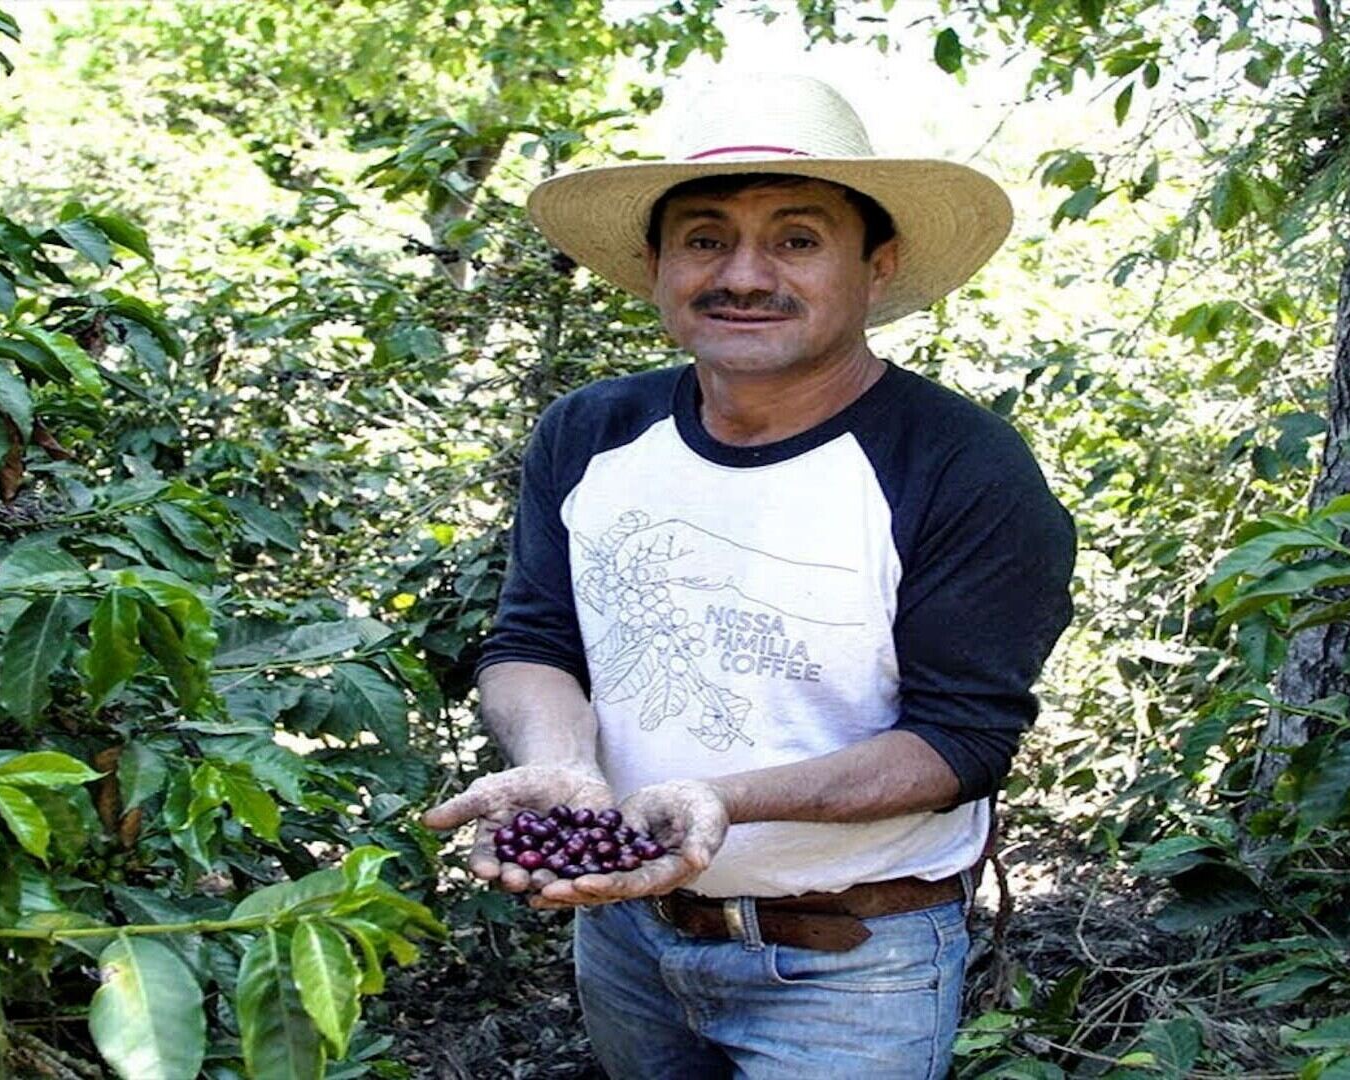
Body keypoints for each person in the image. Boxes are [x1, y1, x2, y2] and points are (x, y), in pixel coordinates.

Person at [421, 73, 1075, 1079]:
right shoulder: (592, 433)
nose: (745, 275)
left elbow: (960, 740)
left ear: (876, 265)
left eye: (797, 240)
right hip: (627, 936)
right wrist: (559, 764)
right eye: (705, 239)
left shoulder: (961, 467)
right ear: (655, 266)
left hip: (850, 962)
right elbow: (533, 643)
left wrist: (724, 798)